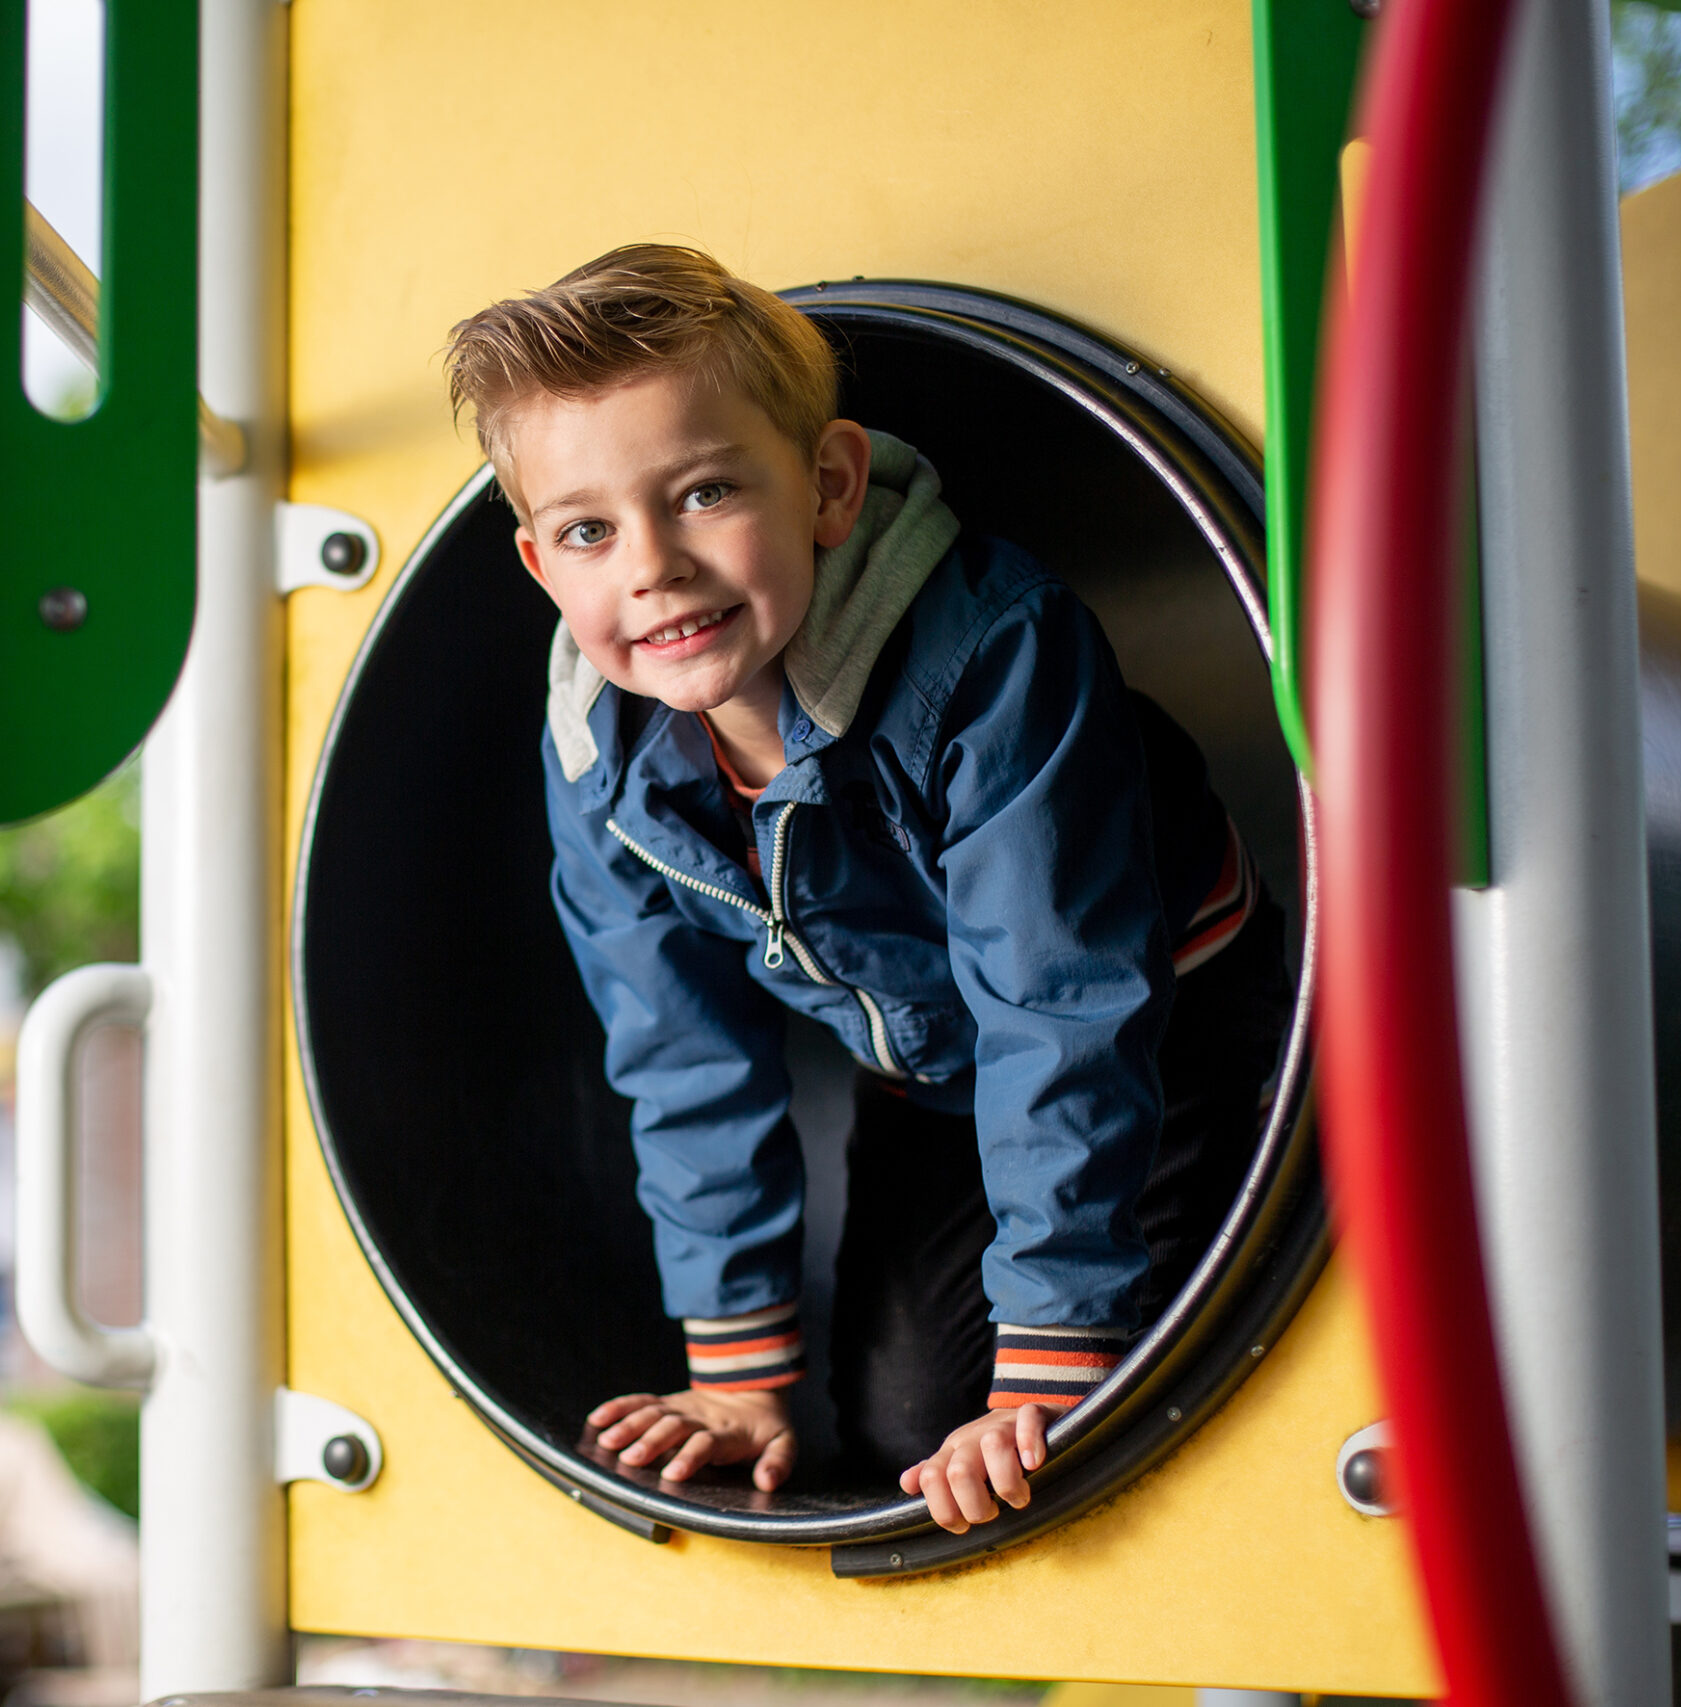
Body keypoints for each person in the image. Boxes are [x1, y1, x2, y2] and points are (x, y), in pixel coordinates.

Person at [443, 244, 1294, 1536]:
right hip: (933, 1071)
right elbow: (681, 1058)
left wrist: (1053, 1353)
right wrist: (737, 1379)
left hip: (1166, 1027)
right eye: (588, 531)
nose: (652, 565)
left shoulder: (991, 657)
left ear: (831, 487)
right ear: (541, 567)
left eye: (705, 491)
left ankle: (1222, 1187)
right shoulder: (597, 758)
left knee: (1085, 1403)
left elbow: (1061, 1006)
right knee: (904, 1430)